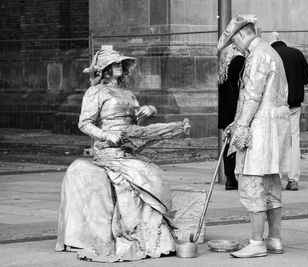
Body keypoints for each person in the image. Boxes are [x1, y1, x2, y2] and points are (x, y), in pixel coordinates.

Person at [55, 49, 190, 262]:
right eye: (114, 63)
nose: (119, 65)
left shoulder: (128, 94)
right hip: (108, 150)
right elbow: (84, 123)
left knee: (152, 173)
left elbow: (134, 123)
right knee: (142, 174)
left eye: (120, 63)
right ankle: (135, 232)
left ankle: (153, 234)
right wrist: (108, 135)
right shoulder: (95, 92)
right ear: (105, 70)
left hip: (128, 147)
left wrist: (149, 110)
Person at [217, 15, 291, 258]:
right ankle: (275, 239)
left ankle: (257, 242)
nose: (235, 48)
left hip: (260, 127)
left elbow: (251, 96)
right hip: (274, 125)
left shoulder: (257, 55)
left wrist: (240, 125)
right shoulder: (271, 52)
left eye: (233, 43)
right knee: (271, 183)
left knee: (252, 183)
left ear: (241, 34)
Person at [269, 32, 308, 191]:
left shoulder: (271, 55)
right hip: (294, 106)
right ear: (282, 41)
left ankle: (277, 178)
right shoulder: (296, 53)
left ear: (271, 44)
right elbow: (307, 77)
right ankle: (293, 179)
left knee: (277, 141)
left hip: (277, 107)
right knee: (294, 141)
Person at [218, 44, 245, 190]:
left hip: (225, 110)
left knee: (228, 143)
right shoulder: (240, 61)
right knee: (239, 143)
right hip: (236, 108)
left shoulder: (224, 66)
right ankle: (238, 175)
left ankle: (229, 178)